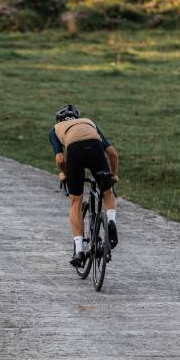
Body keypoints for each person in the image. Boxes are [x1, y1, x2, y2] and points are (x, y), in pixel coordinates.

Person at [49, 104, 119, 266]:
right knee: (107, 192)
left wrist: (65, 174)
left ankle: (79, 250)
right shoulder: (88, 123)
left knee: (76, 201)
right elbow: (112, 154)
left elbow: (60, 159)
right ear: (77, 118)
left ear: (59, 120)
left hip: (74, 151)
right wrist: (113, 176)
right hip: (94, 147)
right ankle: (110, 221)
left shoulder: (56, 128)